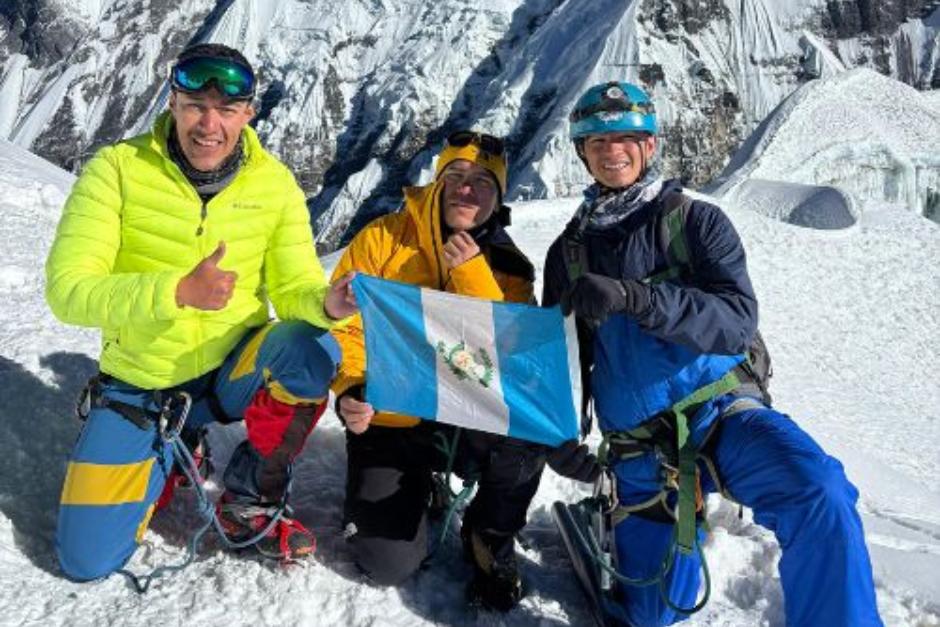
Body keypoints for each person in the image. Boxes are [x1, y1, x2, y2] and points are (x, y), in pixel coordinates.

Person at [543, 81, 882, 626]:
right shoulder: (569, 254)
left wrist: (637, 298)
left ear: (649, 146)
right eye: (599, 141)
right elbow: (561, 361)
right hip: (641, 444)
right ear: (582, 152)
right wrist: (559, 437)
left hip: (723, 413)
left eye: (626, 138)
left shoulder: (696, 224)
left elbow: (735, 320)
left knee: (819, 491)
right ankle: (626, 528)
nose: (613, 151)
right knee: (652, 617)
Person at [46, 43, 356, 582]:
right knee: (85, 560)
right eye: (194, 106)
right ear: (172, 102)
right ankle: (173, 445)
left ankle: (252, 495)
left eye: (227, 110)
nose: (208, 124)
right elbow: (68, 291)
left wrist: (325, 303)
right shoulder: (117, 170)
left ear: (248, 114)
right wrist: (176, 292)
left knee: (312, 348)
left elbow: (294, 287)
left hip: (227, 376)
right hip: (139, 385)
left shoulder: (274, 185)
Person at [329, 131, 598, 611]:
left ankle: (489, 536)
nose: (466, 189)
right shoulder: (384, 239)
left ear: (498, 197)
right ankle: (415, 489)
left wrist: (472, 273)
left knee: (523, 434)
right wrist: (351, 387)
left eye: (482, 182)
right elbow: (347, 326)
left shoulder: (509, 268)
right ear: (437, 183)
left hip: (463, 415)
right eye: (455, 175)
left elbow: (511, 358)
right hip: (389, 419)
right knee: (387, 563)